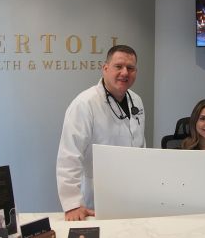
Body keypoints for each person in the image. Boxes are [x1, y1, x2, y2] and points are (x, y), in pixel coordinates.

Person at [56, 45, 145, 221]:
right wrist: (72, 204)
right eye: (118, 66)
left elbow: (140, 144)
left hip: (132, 193)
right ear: (105, 68)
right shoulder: (84, 103)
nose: (125, 73)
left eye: (131, 68)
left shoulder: (136, 100)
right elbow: (69, 156)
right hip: (96, 197)